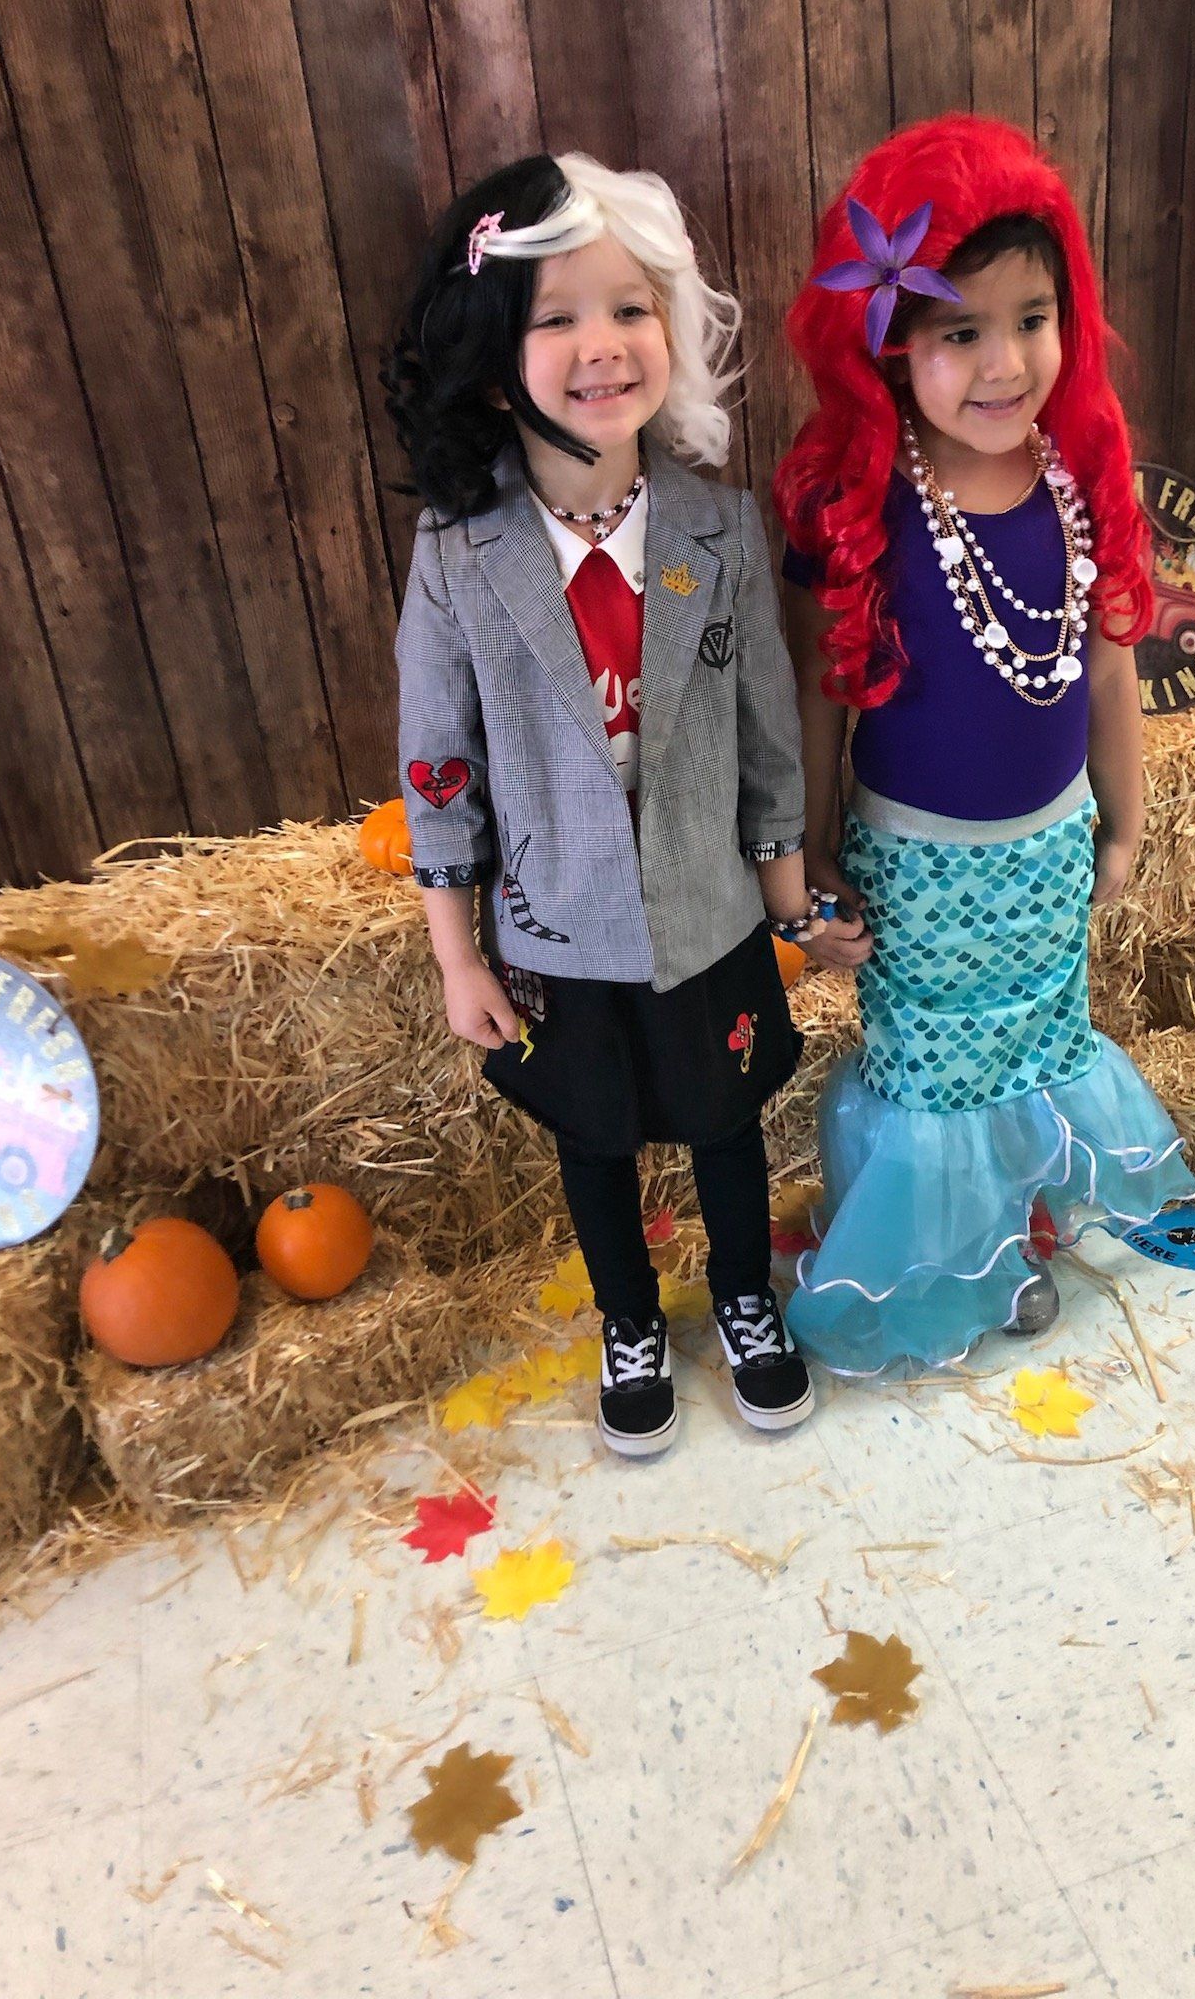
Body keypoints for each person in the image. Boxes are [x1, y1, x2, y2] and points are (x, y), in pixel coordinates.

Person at [385, 151, 823, 1453]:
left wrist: (789, 895)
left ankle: (745, 1298)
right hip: (559, 929)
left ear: (674, 330)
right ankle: (630, 1320)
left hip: (707, 915)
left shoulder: (715, 530)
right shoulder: (458, 556)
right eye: (556, 316)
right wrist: (455, 948)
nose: (600, 344)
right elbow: (438, 762)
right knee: (597, 1138)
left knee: (725, 1121)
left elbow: (768, 735)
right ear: (495, 349)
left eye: (629, 308)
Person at [775, 114, 1195, 1376]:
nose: (1005, 362)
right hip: (918, 871)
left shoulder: (1077, 478)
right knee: (931, 1076)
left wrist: (1122, 822)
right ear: (891, 341)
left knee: (1032, 1047)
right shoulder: (865, 505)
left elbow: (1111, 671)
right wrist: (805, 868)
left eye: (1032, 318)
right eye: (961, 330)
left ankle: (1016, 1217)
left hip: (1047, 853)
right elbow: (822, 701)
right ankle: (953, 1258)